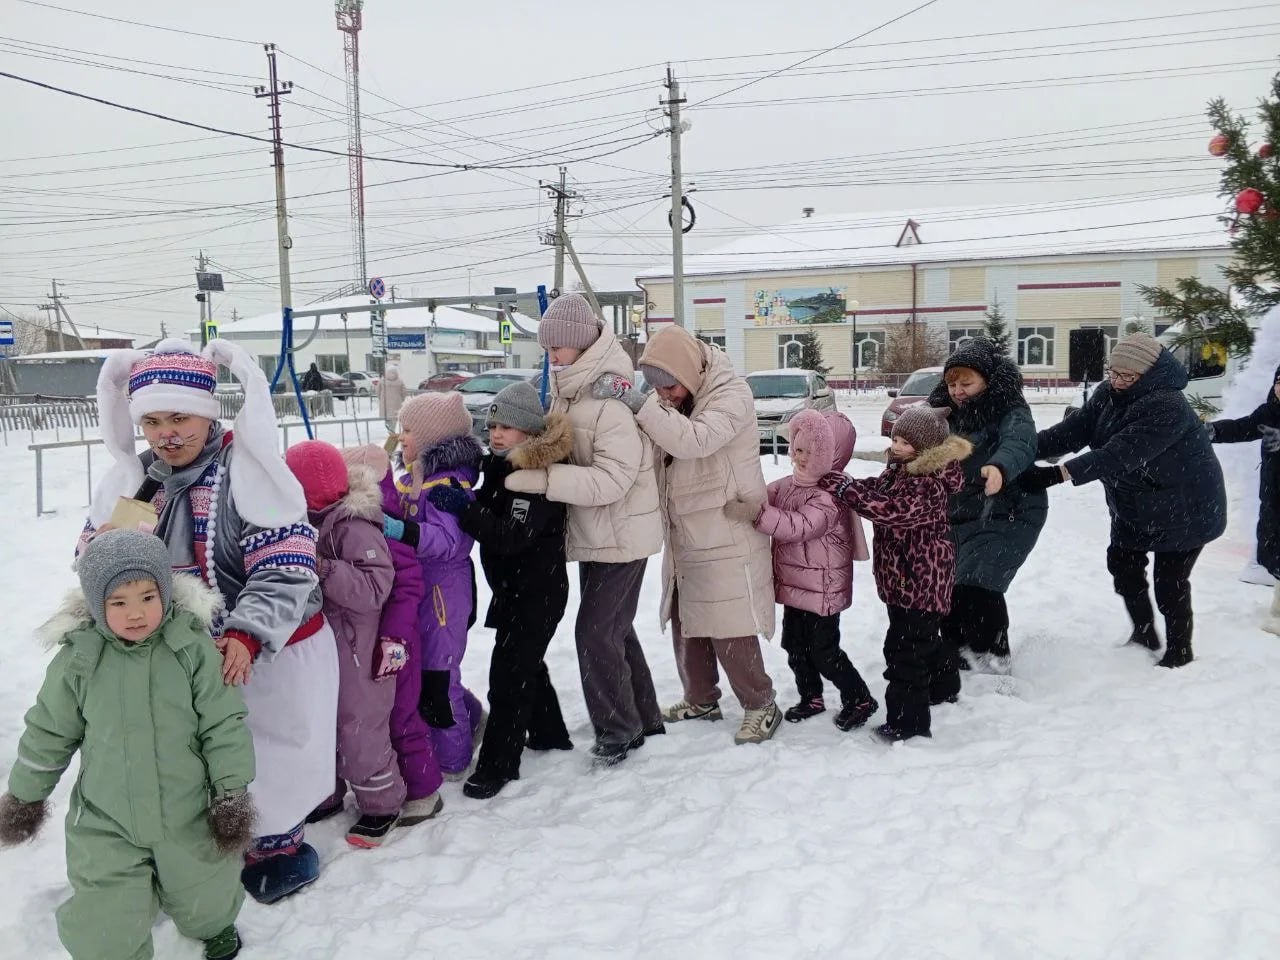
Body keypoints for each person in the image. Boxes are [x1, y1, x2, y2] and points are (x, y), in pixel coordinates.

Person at [85, 339, 339, 905]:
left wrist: (248, 633)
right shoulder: (138, 479)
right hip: (182, 653)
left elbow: (285, 565)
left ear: (207, 413)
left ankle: (277, 844)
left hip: (266, 648)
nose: (166, 434)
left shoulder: (247, 471)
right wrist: (101, 559)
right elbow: (100, 560)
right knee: (197, 752)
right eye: (152, 421)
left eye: (179, 418)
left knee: (268, 749)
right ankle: (202, 839)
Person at [0, 530, 256, 960]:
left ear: (165, 592)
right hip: (106, 816)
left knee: (204, 889)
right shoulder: (79, 660)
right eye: (118, 602)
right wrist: (25, 797)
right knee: (106, 919)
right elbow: (48, 732)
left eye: (147, 597)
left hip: (185, 808)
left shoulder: (191, 648)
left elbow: (223, 724)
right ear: (96, 604)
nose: (136, 613)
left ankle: (211, 923)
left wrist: (231, 792)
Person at [596, 325, 781, 746]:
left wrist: (640, 404)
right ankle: (701, 698)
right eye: (656, 387)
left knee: (728, 622)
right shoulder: (674, 400)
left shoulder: (732, 395)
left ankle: (762, 704)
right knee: (686, 618)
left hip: (726, 527)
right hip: (686, 527)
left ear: (689, 372)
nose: (664, 395)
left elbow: (696, 441)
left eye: (670, 385)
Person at [505, 293, 664, 767]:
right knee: (614, 629)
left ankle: (619, 731)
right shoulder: (570, 391)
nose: (551, 356)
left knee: (595, 633)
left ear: (581, 343)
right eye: (547, 348)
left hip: (622, 534)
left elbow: (613, 480)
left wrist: (545, 479)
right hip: (597, 531)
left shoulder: (608, 402)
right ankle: (644, 716)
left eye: (558, 347)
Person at [1024, 333, 1227, 668]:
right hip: (1135, 502)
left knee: (1170, 582)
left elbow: (1119, 454)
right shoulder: (1108, 393)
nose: (1117, 381)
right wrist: (1021, 450)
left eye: (1127, 376)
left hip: (1186, 506)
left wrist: (1056, 475)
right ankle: (1144, 633)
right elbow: (1072, 432)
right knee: (1123, 565)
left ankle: (1180, 650)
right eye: (1113, 372)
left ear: (1147, 374)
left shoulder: (1168, 405)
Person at [427, 381, 575, 798]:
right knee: (525, 665)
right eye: (493, 426)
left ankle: (499, 764)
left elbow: (510, 536)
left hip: (537, 594)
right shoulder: (501, 466)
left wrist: (467, 508)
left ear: (528, 430)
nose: (495, 434)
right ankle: (549, 733)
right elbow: (492, 504)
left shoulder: (536, 477)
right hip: (513, 591)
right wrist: (467, 496)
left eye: (506, 427)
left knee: (508, 679)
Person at [821, 406, 970, 742]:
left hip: (921, 579)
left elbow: (892, 511)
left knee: (905, 651)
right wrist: (851, 485)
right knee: (922, 640)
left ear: (927, 448)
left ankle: (908, 724)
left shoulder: (928, 483)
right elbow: (878, 489)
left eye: (905, 442)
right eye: (895, 439)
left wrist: (847, 491)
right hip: (903, 579)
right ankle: (944, 686)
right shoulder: (901, 471)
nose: (897, 446)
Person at [284, 440, 405, 848]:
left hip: (358, 650)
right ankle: (326, 791)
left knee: (360, 728)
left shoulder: (355, 526)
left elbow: (374, 588)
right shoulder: (300, 521)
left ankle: (382, 803)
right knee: (320, 721)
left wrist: (324, 568)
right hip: (320, 646)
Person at [379, 390, 486, 777]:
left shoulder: (448, 485)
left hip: (444, 593)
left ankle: (454, 761)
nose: (400, 436)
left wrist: (403, 531)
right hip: (418, 590)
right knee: (424, 672)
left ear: (429, 437)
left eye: (408, 430)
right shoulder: (415, 477)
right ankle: (474, 718)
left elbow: (449, 541)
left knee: (439, 679)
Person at [927, 339, 1047, 677]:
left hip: (1012, 509)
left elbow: (1019, 441)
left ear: (988, 381)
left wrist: (999, 467)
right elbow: (920, 446)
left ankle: (996, 657)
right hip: (962, 512)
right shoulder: (941, 413)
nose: (958, 391)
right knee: (949, 585)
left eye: (967, 383)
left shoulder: (1010, 409)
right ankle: (957, 655)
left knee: (981, 583)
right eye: (952, 384)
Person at [750, 409, 877, 729]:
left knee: (824, 652)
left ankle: (859, 697)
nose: (799, 456)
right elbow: (763, 495)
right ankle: (811, 697)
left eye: (809, 451)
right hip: (795, 587)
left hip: (823, 589)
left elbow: (801, 526)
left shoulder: (829, 497)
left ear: (829, 455)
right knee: (794, 647)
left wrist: (758, 516)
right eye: (797, 448)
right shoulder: (791, 484)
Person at [341, 444, 444, 824]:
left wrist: (396, 638)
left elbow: (408, 584)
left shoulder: (381, 522)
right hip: (361, 639)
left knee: (401, 714)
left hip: (395, 640)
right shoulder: (341, 521)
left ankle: (424, 790)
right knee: (371, 717)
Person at [1207, 363, 1280, 634]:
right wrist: (1209, 431)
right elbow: (1242, 428)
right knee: (1273, 550)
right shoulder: (1270, 413)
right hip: (1273, 498)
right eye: (1279, 382)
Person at [377, 363, 409, 436]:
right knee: (394, 419)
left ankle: (390, 432)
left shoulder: (382, 380)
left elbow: (377, 391)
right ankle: (392, 432)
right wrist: (401, 399)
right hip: (396, 404)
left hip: (385, 404)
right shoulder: (400, 381)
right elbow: (404, 392)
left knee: (387, 419)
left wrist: (381, 398)